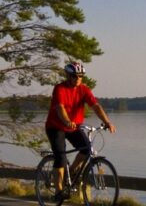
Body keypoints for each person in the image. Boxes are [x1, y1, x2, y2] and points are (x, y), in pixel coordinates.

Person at [46, 61, 115, 195]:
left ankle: (70, 172)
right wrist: (66, 121)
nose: (78, 79)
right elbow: (60, 108)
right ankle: (59, 191)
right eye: (75, 76)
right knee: (60, 157)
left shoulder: (84, 89)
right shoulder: (60, 89)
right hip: (56, 127)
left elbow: (95, 106)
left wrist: (107, 122)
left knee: (87, 149)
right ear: (68, 76)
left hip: (73, 127)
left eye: (80, 76)